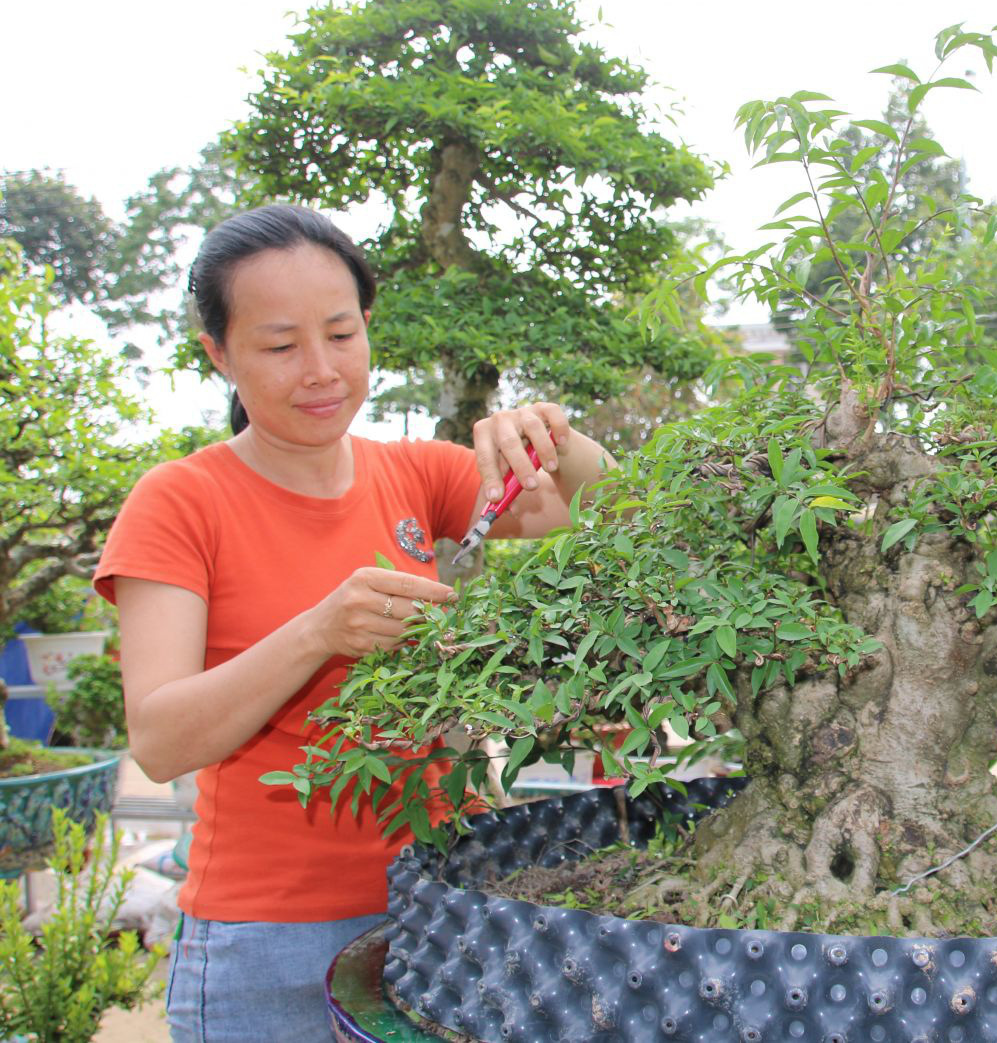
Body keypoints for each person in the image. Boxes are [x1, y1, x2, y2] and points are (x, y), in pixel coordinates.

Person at [93, 205, 614, 1042]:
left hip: (443, 904)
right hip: (269, 943)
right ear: (219, 355)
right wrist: (315, 633)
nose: (320, 369)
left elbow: (617, 508)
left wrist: (554, 433)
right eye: (278, 344)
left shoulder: (416, 474)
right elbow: (159, 739)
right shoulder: (179, 502)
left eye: (341, 334)